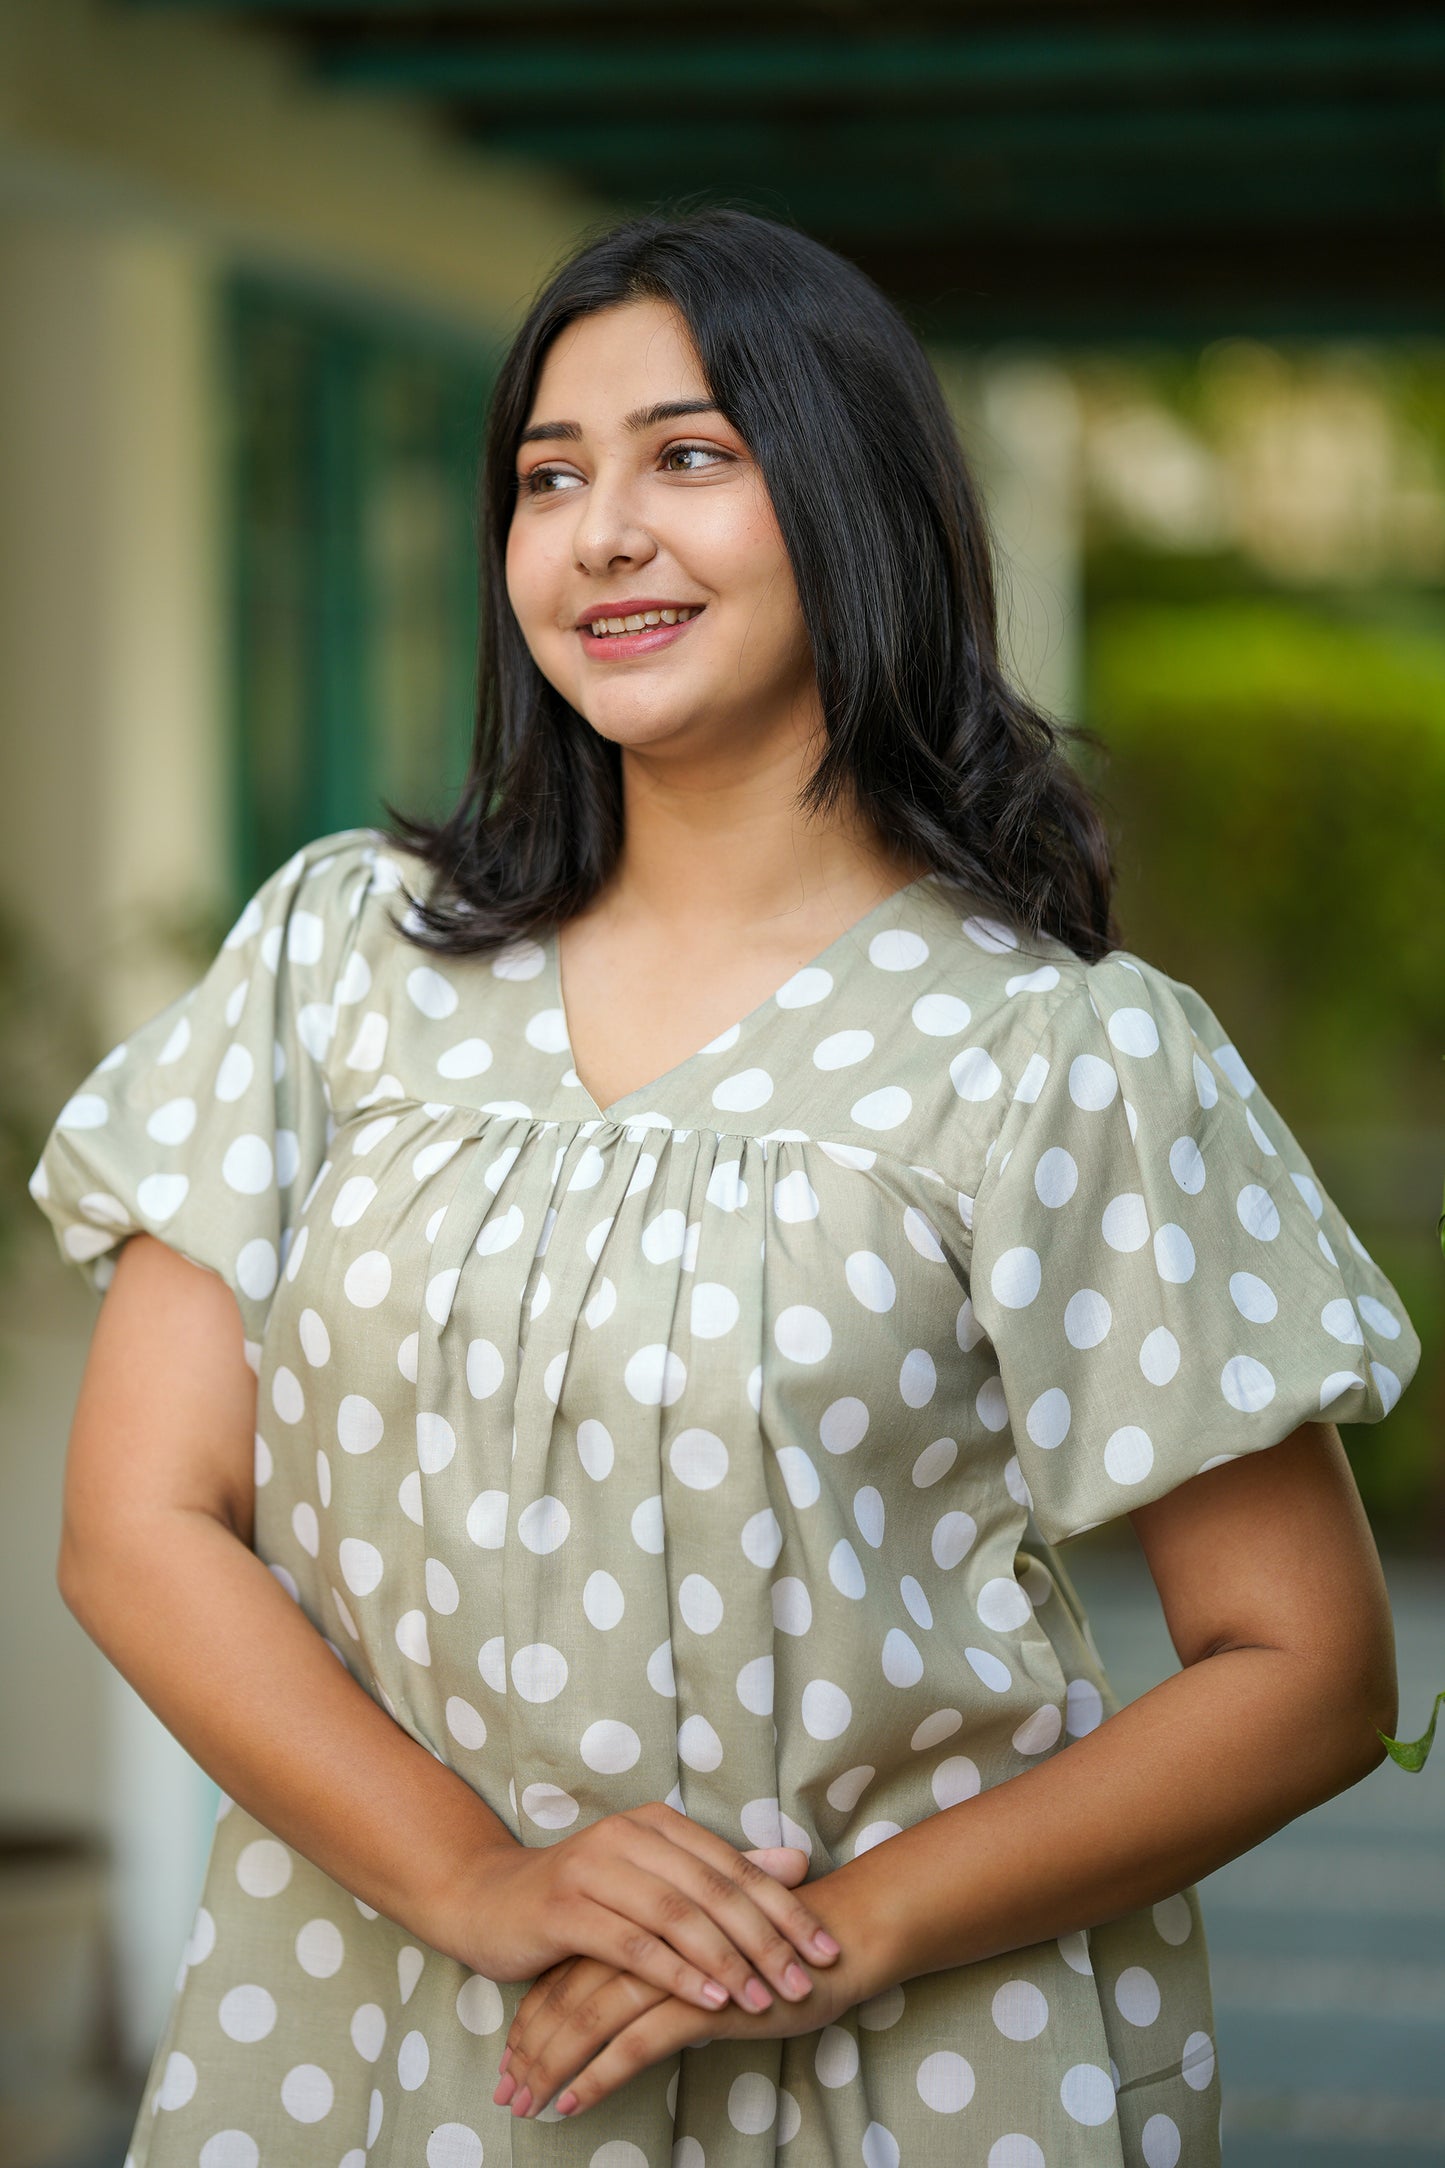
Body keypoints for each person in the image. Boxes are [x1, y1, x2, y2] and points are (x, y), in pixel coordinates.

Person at [32, 208, 1418, 2168]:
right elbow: (141, 1520)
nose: (599, 533)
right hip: (382, 2026)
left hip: (904, 2061)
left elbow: (1307, 1663)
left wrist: (843, 1934)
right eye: (546, 476)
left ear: (851, 506)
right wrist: (474, 1882)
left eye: (687, 456)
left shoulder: (1069, 1053)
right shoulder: (336, 959)